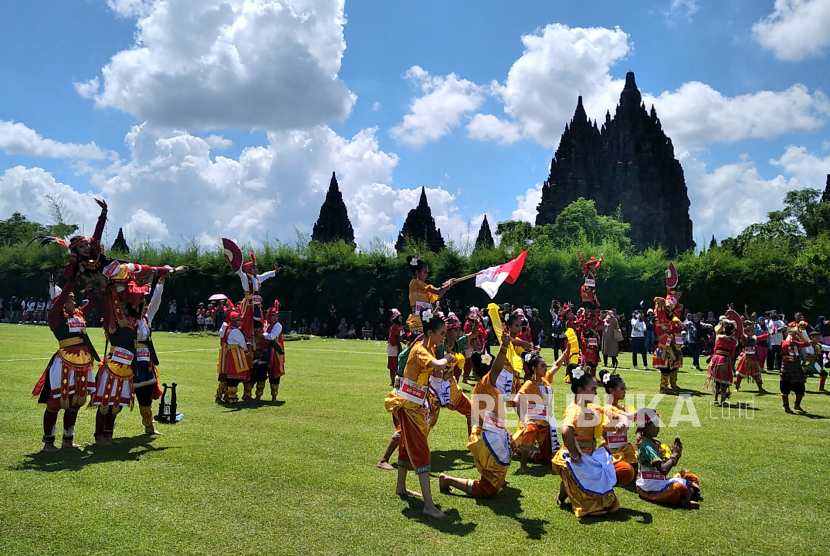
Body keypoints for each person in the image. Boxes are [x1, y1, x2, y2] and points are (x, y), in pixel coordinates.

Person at [384, 308, 455, 519]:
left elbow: (436, 371)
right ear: (430, 333)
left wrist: (445, 365)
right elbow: (437, 365)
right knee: (422, 451)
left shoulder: (427, 348)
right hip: (410, 406)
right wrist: (447, 359)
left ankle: (401, 487)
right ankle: (428, 506)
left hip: (415, 404)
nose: (444, 337)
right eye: (441, 333)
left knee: (407, 446)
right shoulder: (421, 350)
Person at [437, 331, 516, 498]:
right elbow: (497, 369)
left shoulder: (488, 387)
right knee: (488, 491)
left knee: (496, 478)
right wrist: (503, 347)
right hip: (486, 436)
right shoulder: (485, 384)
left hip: (493, 432)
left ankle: (493, 477)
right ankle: (447, 479)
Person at [32, 276, 98, 451]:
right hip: (64, 363)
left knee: (76, 401)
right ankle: (48, 442)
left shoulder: (78, 314)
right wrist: (73, 279)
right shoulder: (54, 316)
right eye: (71, 299)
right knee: (56, 402)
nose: (74, 301)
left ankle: (68, 441)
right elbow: (58, 302)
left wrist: (93, 284)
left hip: (83, 363)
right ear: (61, 302)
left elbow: (93, 302)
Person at [552, 365, 620, 517]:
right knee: (595, 508)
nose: (596, 393)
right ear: (580, 391)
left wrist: (622, 418)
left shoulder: (589, 406)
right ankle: (568, 483)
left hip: (589, 457)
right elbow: (566, 430)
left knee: (611, 504)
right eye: (593, 389)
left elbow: (607, 411)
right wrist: (575, 455)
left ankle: (566, 488)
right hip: (577, 459)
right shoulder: (575, 410)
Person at [134, 272, 183, 435]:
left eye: (143, 303)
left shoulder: (147, 319)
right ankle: (106, 431)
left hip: (145, 362)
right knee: (118, 397)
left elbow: (155, 301)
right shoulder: (125, 319)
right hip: (128, 361)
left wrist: (161, 282)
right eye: (140, 303)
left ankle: (149, 426)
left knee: (145, 396)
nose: (143, 305)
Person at [635, 411, 701, 508]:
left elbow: (667, 465)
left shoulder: (655, 443)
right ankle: (685, 499)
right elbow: (664, 470)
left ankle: (683, 497)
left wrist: (676, 455)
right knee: (678, 487)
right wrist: (673, 456)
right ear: (645, 427)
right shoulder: (646, 447)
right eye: (655, 424)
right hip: (649, 486)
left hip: (660, 482)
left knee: (691, 478)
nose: (658, 427)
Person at [512, 351, 564, 473]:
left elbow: (556, 365)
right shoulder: (529, 384)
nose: (545, 369)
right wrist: (523, 419)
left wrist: (565, 353)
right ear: (534, 368)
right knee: (529, 432)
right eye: (542, 366)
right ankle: (523, 464)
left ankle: (522, 451)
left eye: (545, 366)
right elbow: (516, 401)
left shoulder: (546, 380)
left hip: (547, 423)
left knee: (546, 459)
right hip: (533, 421)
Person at [427, 312, 472, 437]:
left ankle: (472, 442)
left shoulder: (457, 344)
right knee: (427, 421)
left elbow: (473, 334)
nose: (459, 332)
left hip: (450, 385)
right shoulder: (438, 346)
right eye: (456, 330)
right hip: (434, 385)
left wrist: (476, 321)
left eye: (460, 329)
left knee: (471, 410)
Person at [597, 371, 637, 486]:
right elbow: (605, 426)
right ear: (611, 390)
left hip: (623, 447)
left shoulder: (622, 407)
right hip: (611, 449)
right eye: (622, 389)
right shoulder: (607, 409)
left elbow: (634, 416)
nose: (624, 392)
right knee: (626, 470)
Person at [405, 255, 455, 334]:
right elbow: (438, 291)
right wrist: (448, 284)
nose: (427, 275)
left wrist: (447, 285)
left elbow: (439, 294)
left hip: (426, 316)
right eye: (425, 272)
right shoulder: (416, 283)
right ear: (417, 273)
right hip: (418, 319)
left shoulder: (422, 286)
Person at [219, 310, 252, 403]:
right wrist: (247, 349)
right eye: (238, 320)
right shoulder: (236, 331)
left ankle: (226, 395)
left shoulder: (228, 329)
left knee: (230, 374)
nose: (240, 322)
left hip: (230, 353)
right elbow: (242, 343)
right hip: (236, 354)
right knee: (237, 374)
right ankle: (232, 397)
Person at [703, 320, 738, 405]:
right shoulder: (733, 341)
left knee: (717, 380)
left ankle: (715, 398)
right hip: (724, 359)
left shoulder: (719, 338)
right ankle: (722, 400)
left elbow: (715, 349)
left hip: (716, 358)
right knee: (724, 380)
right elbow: (732, 353)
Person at [780, 323, 810, 413]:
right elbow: (786, 344)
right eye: (791, 333)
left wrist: (800, 335)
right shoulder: (784, 343)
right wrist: (789, 335)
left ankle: (797, 405)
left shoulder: (796, 344)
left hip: (796, 368)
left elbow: (807, 343)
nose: (793, 335)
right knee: (785, 389)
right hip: (787, 369)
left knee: (800, 388)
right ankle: (786, 407)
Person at [261, 301, 286, 401]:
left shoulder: (277, 325)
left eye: (276, 316)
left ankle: (274, 396)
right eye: (273, 316)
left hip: (273, 351)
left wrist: (261, 335)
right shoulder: (265, 323)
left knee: (274, 373)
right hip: (264, 350)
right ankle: (258, 395)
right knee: (261, 371)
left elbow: (271, 337)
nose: (275, 318)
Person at [735, 321, 768, 393]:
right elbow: (740, 333)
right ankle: (737, 388)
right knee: (740, 373)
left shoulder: (755, 338)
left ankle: (760, 388)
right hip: (745, 358)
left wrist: (771, 333)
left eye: (753, 330)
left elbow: (762, 337)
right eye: (749, 330)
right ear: (746, 331)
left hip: (754, 359)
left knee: (756, 374)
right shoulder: (743, 338)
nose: (752, 331)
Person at [387, 309, 406, 387]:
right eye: (399, 316)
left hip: (397, 345)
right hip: (393, 346)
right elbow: (392, 338)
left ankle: (398, 380)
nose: (401, 317)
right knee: (393, 364)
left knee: (398, 362)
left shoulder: (400, 326)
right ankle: (393, 380)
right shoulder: (394, 327)